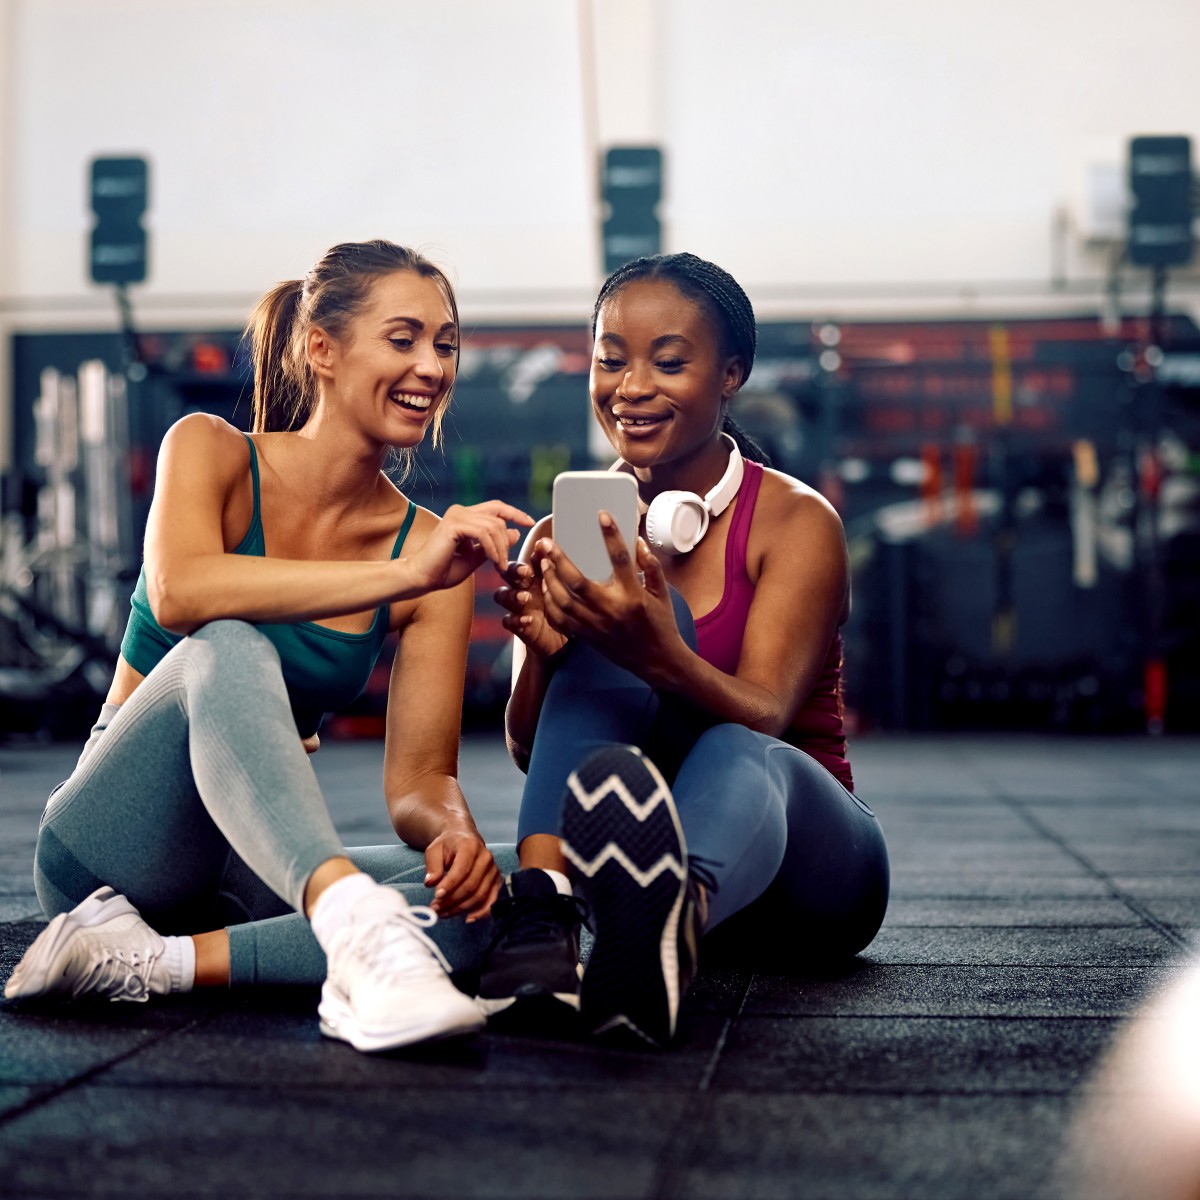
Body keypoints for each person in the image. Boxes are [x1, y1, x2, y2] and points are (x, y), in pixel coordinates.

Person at [4, 239, 532, 1053]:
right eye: (404, 338)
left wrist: (453, 831)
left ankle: (153, 963)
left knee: (501, 892)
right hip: (113, 847)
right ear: (322, 348)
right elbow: (184, 593)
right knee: (228, 645)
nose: (432, 365)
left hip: (251, 863)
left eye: (445, 343)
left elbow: (421, 781)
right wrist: (400, 578)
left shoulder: (431, 555)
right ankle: (350, 921)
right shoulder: (209, 449)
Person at [479, 252, 889, 1047]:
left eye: (668, 362)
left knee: (736, 739)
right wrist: (541, 652)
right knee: (614, 623)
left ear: (730, 374)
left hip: (811, 873)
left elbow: (768, 712)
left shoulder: (796, 524)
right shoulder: (569, 535)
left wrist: (651, 648)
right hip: (637, 872)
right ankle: (545, 921)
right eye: (610, 360)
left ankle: (666, 918)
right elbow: (534, 752)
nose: (630, 387)